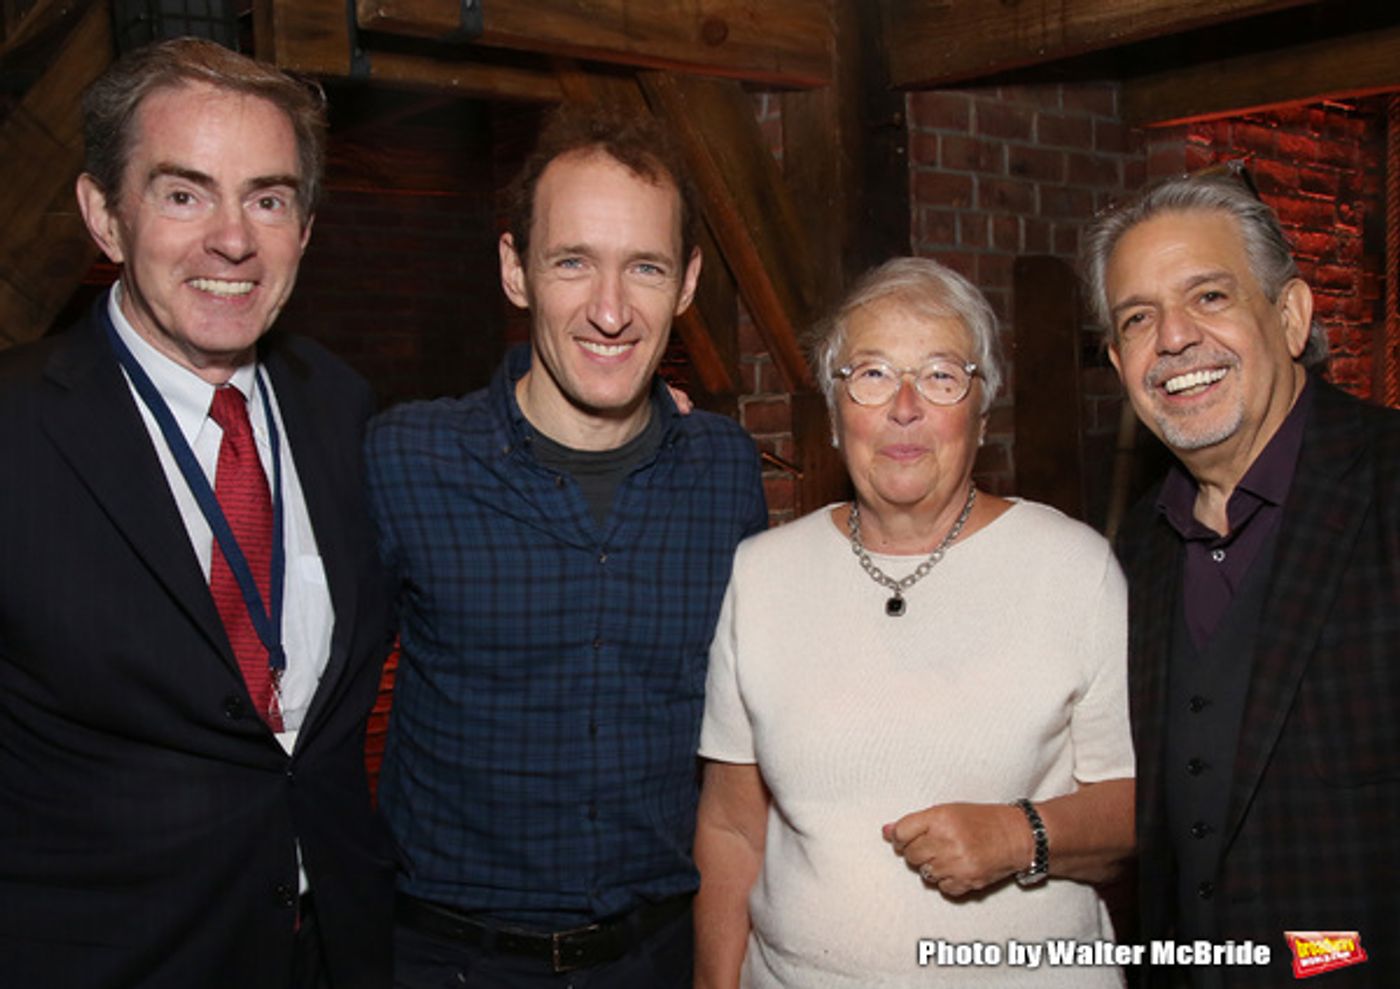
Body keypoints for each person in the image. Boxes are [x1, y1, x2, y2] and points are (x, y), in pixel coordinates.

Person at [0, 38, 395, 988]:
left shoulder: (343, 407)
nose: (232, 238)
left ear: (304, 227)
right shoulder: (14, 432)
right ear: (105, 215)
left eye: (267, 197)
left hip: (332, 949)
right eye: (184, 194)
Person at [365, 103, 768, 987]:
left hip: (659, 956)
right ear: (516, 270)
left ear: (689, 282)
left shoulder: (725, 471)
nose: (612, 310)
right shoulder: (406, 458)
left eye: (646, 267)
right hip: (448, 961)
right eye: (573, 262)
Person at [694, 257, 1135, 988]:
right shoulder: (762, 574)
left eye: (939, 375)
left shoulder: (1072, 568)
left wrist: (1014, 834)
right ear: (835, 414)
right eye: (871, 373)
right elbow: (731, 826)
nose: (904, 406)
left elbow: (1132, 811)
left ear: (981, 410)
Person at [1083, 167, 1400, 987]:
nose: (1175, 339)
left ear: (1290, 316)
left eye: (1211, 297)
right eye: (1139, 319)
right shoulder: (1133, 557)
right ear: (1120, 363)